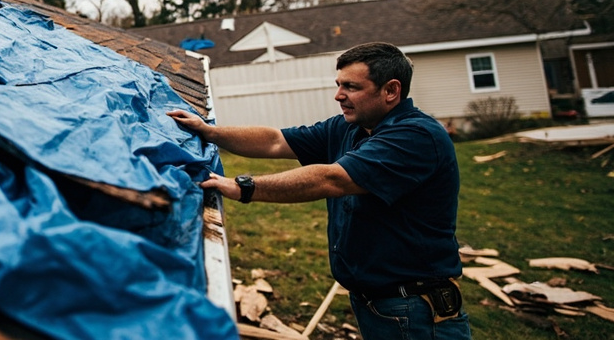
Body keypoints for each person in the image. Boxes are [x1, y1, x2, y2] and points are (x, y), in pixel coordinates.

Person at [168, 42, 471, 339]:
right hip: (377, 302)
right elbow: (275, 141)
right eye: (339, 85)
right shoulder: (348, 128)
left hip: (415, 309)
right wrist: (209, 131)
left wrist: (244, 187)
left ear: (391, 91)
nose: (338, 95)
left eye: (351, 87)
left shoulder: (416, 136)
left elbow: (332, 180)